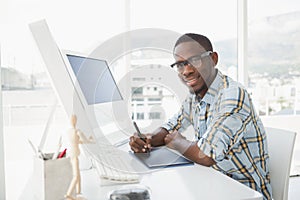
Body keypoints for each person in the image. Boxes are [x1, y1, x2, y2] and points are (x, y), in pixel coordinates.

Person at [129, 33, 272, 199]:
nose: (187, 71)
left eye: (195, 60)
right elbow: (171, 127)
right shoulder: (196, 97)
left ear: (213, 59)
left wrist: (178, 142)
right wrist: (147, 139)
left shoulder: (232, 95)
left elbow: (206, 155)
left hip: (245, 194)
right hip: (213, 185)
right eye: (180, 65)